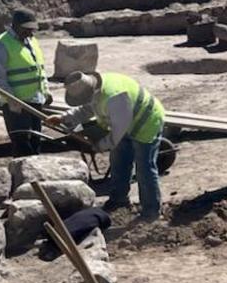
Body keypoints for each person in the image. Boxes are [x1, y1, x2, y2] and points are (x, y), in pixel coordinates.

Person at [58, 71, 164, 220]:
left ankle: (151, 210)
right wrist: (64, 117)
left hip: (145, 122)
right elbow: (88, 109)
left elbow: (117, 134)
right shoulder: (94, 89)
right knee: (119, 161)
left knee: (144, 168)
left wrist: (99, 146)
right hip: (124, 121)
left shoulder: (115, 97)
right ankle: (119, 199)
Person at [0, 8, 50, 155]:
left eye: (32, 29)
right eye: (27, 29)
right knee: (22, 145)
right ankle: (23, 176)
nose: (31, 33)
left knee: (36, 141)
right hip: (16, 105)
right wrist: (12, 100)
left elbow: (40, 68)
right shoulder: (0, 45)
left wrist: (46, 91)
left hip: (35, 99)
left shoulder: (32, 41)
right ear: (15, 26)